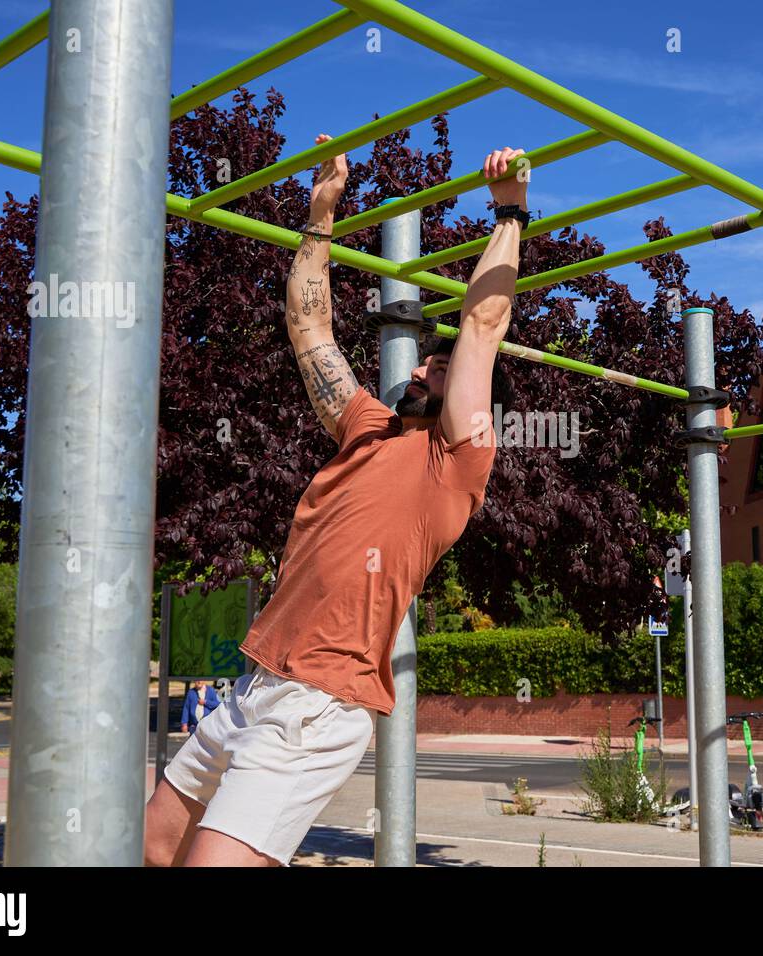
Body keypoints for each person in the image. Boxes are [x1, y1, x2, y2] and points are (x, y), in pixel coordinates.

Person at [143, 136, 526, 867]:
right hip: (252, 686)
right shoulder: (366, 427)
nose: (416, 367)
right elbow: (309, 326)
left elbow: (482, 327)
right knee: (152, 847)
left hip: (319, 708)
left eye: (436, 368)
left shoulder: (456, 458)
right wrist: (322, 212)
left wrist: (509, 214)